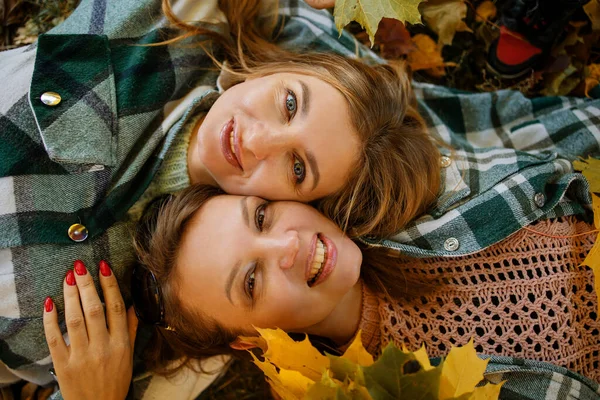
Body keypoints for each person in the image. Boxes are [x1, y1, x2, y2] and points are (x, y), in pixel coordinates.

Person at [0, 0, 440, 387]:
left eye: (298, 167)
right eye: (289, 104)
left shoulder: (185, 299)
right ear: (274, 71)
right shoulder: (177, 27)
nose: (257, 140)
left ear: (304, 204)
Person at [43, 185, 600, 400]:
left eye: (260, 215)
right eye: (252, 281)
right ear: (246, 341)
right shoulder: (367, 393)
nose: (287, 243)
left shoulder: (411, 190)